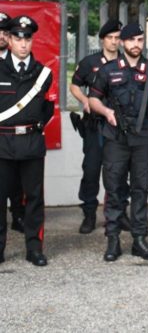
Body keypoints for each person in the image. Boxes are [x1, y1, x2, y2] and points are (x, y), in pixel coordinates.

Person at [89, 23, 148, 262]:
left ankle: (139, 239)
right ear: (122, 42)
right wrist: (107, 112)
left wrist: (146, 118)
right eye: (131, 40)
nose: (136, 44)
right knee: (114, 188)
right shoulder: (108, 70)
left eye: (140, 40)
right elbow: (93, 99)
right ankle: (113, 240)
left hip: (142, 138)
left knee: (141, 188)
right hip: (115, 137)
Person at [0, 15, 55, 266]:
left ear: (32, 41)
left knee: (34, 199)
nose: (23, 44)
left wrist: (33, 127)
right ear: (10, 40)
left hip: (31, 143)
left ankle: (34, 248)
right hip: (2, 144)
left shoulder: (43, 73)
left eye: (27, 39)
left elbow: (48, 109)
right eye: (18, 38)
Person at [70, 19, 130, 234]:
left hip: (118, 127)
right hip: (95, 126)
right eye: (110, 38)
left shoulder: (127, 62)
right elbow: (74, 85)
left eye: (117, 38)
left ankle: (119, 213)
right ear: (103, 40)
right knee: (92, 170)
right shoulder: (90, 62)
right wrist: (85, 101)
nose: (114, 42)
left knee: (120, 171)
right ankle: (89, 213)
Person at [0, 11, 25, 234]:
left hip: (14, 133)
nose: (1, 36)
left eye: (5, 32)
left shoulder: (19, 61)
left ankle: (18, 216)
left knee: (17, 178)